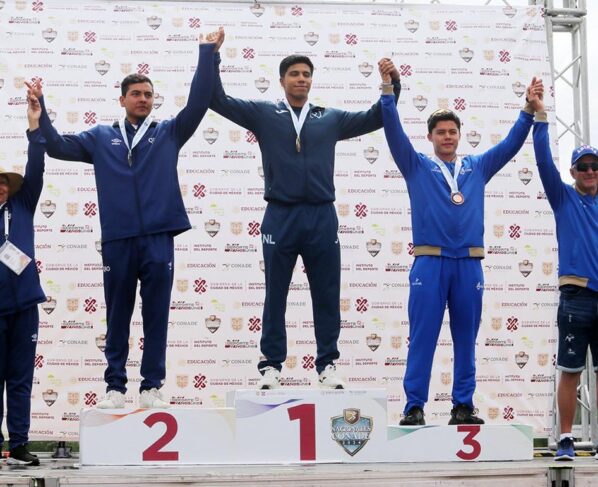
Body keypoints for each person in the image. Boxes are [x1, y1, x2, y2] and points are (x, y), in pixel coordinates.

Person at [27, 31, 222, 409]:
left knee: (156, 315)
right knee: (117, 316)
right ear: (122, 99)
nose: (143, 99)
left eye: (148, 94)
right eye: (136, 94)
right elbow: (57, 146)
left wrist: (206, 53)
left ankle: (151, 386)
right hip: (118, 238)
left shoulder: (168, 133)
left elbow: (199, 101)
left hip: (158, 237)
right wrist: (41, 110)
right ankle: (115, 386)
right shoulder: (101, 137)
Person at [207, 28, 401, 389]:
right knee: (275, 293)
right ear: (282, 81)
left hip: (321, 216)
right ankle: (271, 365)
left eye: (306, 74)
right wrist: (212, 55)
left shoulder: (329, 117)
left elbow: (376, 117)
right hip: (280, 215)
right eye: (294, 74)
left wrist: (391, 84)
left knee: (327, 292)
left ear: (312, 80)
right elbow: (217, 99)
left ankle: (327, 364)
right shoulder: (264, 113)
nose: (301, 79)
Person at [379, 59, 543, 425]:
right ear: (430, 137)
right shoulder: (416, 165)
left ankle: (463, 405)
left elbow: (510, 145)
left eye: (452, 131)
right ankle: (414, 406)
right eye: (440, 132)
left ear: (459, 134)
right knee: (422, 337)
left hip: (469, 263)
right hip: (429, 262)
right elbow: (392, 131)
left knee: (466, 339)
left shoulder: (477, 167)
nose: (448, 137)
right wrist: (388, 91)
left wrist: (528, 110)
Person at [532, 98, 598, 460]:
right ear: (573, 172)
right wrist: (540, 117)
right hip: (576, 296)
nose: (590, 171)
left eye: (595, 166)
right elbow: (544, 162)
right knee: (570, 371)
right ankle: (567, 438)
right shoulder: (564, 198)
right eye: (583, 167)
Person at [0, 92, 46, 465]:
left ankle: (18, 444)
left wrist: (34, 124)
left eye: (4, 181)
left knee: (20, 379)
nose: (0, 186)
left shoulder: (23, 203)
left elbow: (36, 164)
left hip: (25, 305)